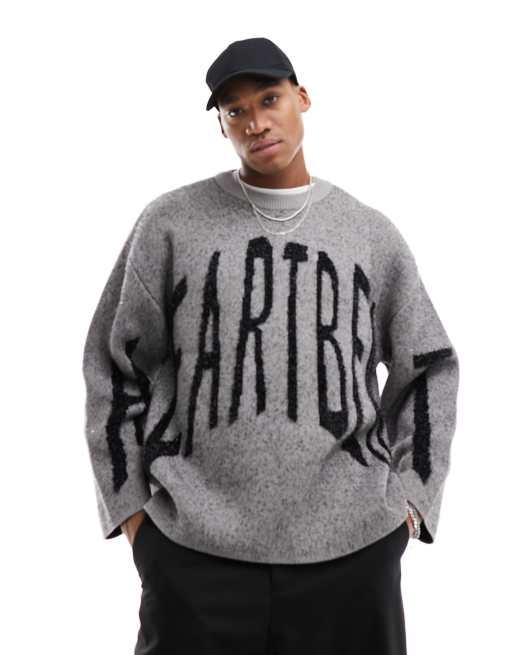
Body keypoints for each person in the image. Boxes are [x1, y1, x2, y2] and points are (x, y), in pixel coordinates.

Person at [82, 37, 459, 655]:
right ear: (222, 126)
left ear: (301, 97)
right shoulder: (170, 224)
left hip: (353, 553)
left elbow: (429, 367)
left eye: (269, 99)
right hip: (192, 554)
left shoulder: (369, 234)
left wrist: (412, 501)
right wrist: (132, 514)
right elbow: (113, 362)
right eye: (235, 110)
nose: (255, 121)